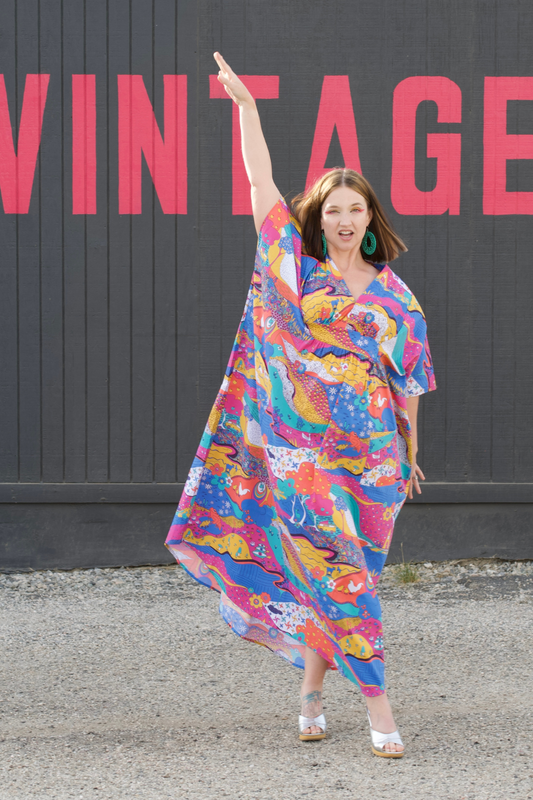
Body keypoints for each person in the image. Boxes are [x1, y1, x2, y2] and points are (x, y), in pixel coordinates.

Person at [166, 52, 436, 758]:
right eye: (334, 210)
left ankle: (311, 692)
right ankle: (378, 705)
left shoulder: (395, 298)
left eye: (356, 209)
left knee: (342, 575)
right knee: (338, 573)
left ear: (370, 219)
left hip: (374, 463)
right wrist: (247, 111)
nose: (345, 220)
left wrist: (410, 455)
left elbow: (407, 385)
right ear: (317, 218)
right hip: (303, 459)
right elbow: (260, 182)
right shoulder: (292, 268)